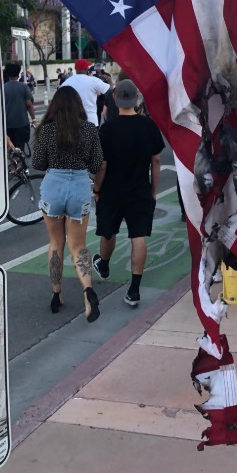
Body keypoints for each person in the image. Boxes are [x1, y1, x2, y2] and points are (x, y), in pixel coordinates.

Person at [32, 86, 106, 321]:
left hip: (54, 184)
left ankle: (56, 294)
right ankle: (88, 293)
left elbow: (38, 164)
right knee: (79, 246)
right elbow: (96, 164)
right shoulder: (89, 130)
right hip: (79, 188)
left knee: (56, 243)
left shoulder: (46, 130)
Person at [91, 80, 164, 307]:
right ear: (137, 99)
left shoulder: (107, 129)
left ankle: (103, 263)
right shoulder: (148, 126)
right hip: (139, 189)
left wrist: (97, 189)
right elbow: (156, 159)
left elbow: (101, 165)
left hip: (112, 190)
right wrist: (153, 189)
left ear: (114, 99)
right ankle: (134, 290)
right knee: (138, 236)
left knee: (108, 231)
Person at [62, 59, 111, 126]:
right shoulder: (93, 80)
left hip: (72, 121)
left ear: (75, 68)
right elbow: (110, 89)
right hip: (90, 121)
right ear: (86, 69)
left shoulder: (66, 82)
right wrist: (108, 79)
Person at [3, 62, 36, 152]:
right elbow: (29, 104)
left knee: (10, 147)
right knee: (20, 147)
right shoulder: (23, 87)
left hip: (7, 124)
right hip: (22, 123)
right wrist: (33, 119)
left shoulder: (3, 88)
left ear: (7, 74)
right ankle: (20, 164)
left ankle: (14, 164)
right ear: (18, 74)